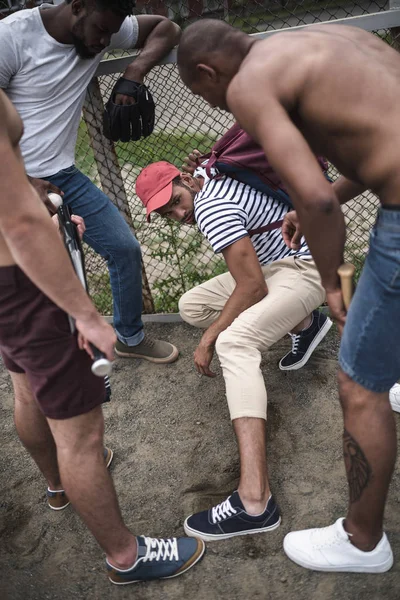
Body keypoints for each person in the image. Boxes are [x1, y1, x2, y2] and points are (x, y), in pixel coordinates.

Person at [176, 19, 400, 572]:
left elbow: (319, 208)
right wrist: (316, 204)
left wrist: (332, 285)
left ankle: (360, 540)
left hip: (322, 253)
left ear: (208, 72)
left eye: (205, 96)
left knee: (358, 384)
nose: (223, 109)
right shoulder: (325, 38)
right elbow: (377, 149)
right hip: (325, 232)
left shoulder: (250, 84)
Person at [0, 89, 204, 584]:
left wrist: (47, 204)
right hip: (29, 282)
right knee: (82, 436)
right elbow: (21, 225)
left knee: (25, 384)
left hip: (6, 285)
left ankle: (56, 487)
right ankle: (126, 554)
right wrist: (85, 313)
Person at [135, 134, 332, 541]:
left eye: (175, 201)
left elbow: (252, 287)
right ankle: (305, 325)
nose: (178, 214)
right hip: (276, 263)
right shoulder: (208, 173)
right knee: (192, 304)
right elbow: (253, 282)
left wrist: (210, 337)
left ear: (185, 181)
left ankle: (255, 501)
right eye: (166, 212)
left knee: (232, 343)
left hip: (305, 268)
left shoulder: (210, 207)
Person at [0, 0, 180, 363]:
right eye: (101, 31)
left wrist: (135, 71)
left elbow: (167, 28)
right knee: (34, 275)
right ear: (77, 7)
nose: (104, 42)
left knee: (124, 248)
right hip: (12, 181)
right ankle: (40, 359)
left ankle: (128, 336)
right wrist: (22, 180)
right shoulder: (12, 37)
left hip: (63, 174)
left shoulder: (104, 23)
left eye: (112, 34)